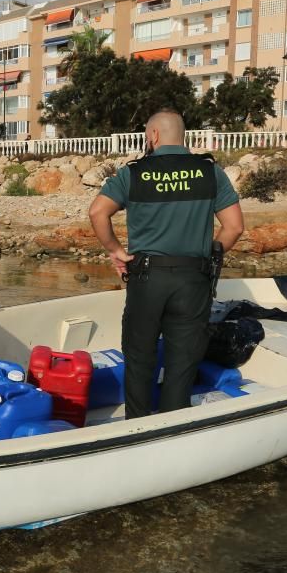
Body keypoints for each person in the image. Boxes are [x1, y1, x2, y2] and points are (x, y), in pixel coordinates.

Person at [88, 109, 244, 419]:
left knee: (139, 357)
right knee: (182, 363)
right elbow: (235, 227)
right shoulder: (209, 172)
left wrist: (115, 249)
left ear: (154, 135)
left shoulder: (133, 172)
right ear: (182, 136)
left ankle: (137, 426)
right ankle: (173, 426)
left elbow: (97, 212)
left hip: (147, 278)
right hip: (192, 279)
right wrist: (210, 256)